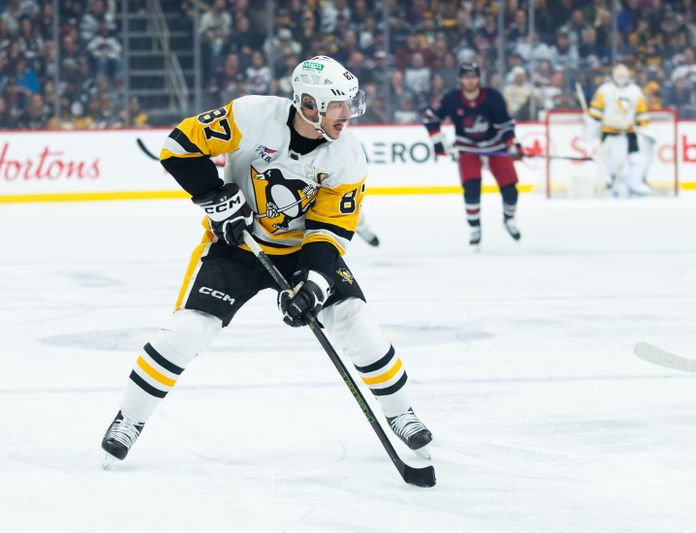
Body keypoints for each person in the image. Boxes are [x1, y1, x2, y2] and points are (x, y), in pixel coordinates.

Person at [101, 56, 433, 466]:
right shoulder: (251, 115)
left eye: (350, 104)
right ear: (309, 106)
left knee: (354, 318)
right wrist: (216, 198)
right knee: (189, 329)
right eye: (338, 105)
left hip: (300, 253)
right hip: (238, 247)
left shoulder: (348, 155)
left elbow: (329, 231)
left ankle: (401, 411)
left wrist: (313, 284)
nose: (348, 114)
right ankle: (129, 419)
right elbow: (177, 148)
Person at [423, 62, 523, 248]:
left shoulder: (493, 97)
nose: (470, 80)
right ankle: (475, 227)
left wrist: (513, 143)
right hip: (468, 148)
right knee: (471, 188)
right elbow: (430, 118)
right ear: (461, 79)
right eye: (467, 77)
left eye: (473, 77)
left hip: (495, 146)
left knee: (510, 189)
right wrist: (438, 142)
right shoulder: (452, 99)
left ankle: (509, 219)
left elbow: (506, 125)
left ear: (479, 78)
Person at [586, 64, 651, 196]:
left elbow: (641, 113)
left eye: (624, 76)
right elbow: (595, 113)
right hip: (610, 131)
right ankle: (610, 183)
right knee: (612, 160)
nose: (621, 78)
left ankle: (634, 183)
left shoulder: (635, 91)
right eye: (619, 76)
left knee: (636, 158)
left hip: (629, 131)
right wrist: (591, 130)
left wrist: (644, 128)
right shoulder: (605, 90)